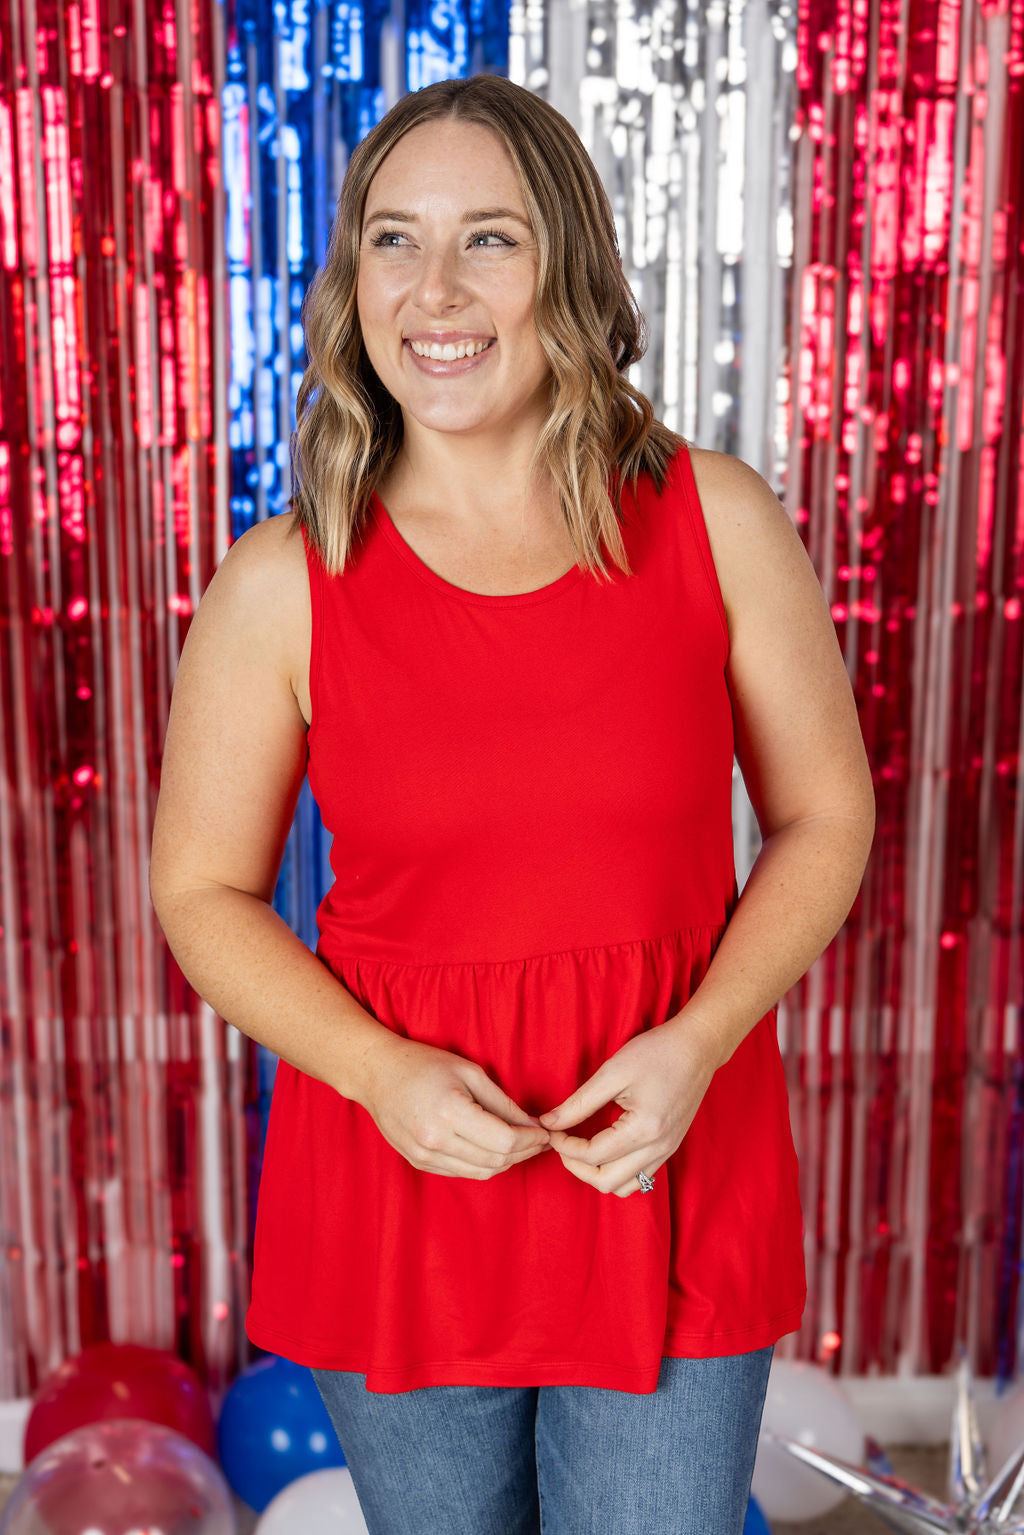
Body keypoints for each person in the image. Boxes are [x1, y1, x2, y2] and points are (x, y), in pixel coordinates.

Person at [149, 72, 875, 1535]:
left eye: (489, 238)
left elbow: (826, 816)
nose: (436, 289)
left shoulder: (716, 519)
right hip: (405, 1172)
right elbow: (200, 894)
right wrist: (378, 1075)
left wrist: (697, 1047)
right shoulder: (283, 580)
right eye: (395, 241)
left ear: (570, 269)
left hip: (666, 1151)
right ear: (355, 284)